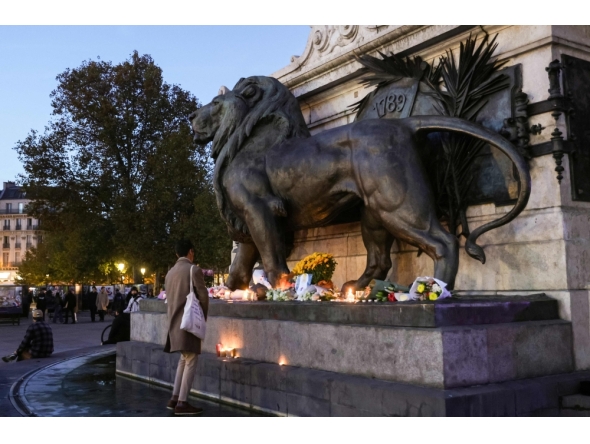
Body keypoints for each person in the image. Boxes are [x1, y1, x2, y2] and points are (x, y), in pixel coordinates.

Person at [164, 239, 208, 416]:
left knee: (184, 358)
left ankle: (174, 398)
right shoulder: (193, 269)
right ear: (191, 251)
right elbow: (203, 296)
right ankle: (182, 403)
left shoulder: (169, 273)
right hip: (188, 322)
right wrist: (202, 319)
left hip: (174, 323)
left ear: (176, 254)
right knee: (191, 359)